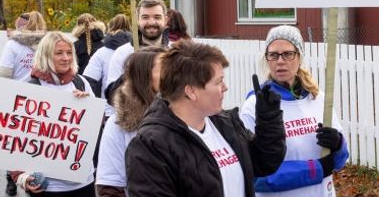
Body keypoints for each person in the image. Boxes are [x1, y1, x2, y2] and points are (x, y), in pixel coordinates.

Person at [125, 40, 286, 196]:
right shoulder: (151, 146)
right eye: (218, 82)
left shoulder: (226, 123)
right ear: (191, 91)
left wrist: (269, 119)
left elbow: (264, 162)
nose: (225, 87)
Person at [240, 25, 349, 196]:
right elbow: (255, 176)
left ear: (299, 57)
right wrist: (315, 169)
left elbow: (340, 161)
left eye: (288, 54)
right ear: (267, 59)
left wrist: (338, 145)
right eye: (273, 55)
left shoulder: (318, 99)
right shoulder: (255, 106)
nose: (280, 61)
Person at [10, 31, 97, 197]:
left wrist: (88, 107)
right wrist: (21, 177)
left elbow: (95, 129)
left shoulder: (81, 82)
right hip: (50, 187)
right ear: (45, 55)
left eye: (69, 52)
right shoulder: (32, 88)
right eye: (59, 53)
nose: (66, 58)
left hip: (84, 181)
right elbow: (14, 140)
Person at [95, 46, 166, 197]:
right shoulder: (119, 124)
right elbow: (110, 186)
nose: (174, 75)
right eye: (165, 69)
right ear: (144, 76)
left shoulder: (186, 114)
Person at [0, 11, 47, 197]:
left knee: (14, 143)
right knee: (37, 142)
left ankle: (12, 180)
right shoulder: (47, 44)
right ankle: (37, 179)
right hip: (42, 102)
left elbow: (3, 74)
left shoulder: (13, 45)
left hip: (16, 100)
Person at [105, 0, 168, 94]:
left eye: (157, 17)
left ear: (165, 20)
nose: (151, 22)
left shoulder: (175, 52)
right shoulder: (122, 53)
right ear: (137, 20)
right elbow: (110, 94)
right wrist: (129, 74)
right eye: (145, 17)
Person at [83, 14, 132, 103]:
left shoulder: (101, 52)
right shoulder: (140, 49)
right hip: (138, 107)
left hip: (109, 107)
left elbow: (89, 80)